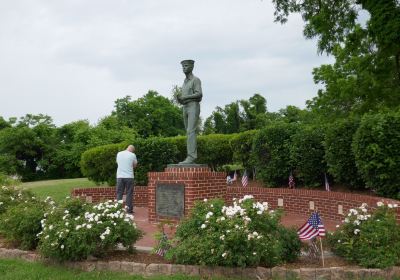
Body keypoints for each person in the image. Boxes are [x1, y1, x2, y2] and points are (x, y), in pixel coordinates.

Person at [177, 59, 203, 164]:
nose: (184, 68)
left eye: (186, 66)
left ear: (192, 67)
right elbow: (184, 98)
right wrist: (181, 99)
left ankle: (191, 157)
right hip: (185, 107)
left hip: (193, 106)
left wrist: (185, 97)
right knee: (188, 131)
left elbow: (199, 94)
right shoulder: (184, 82)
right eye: (183, 66)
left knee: (190, 131)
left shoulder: (196, 80)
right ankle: (190, 156)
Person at [116, 145, 137, 214]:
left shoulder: (119, 153)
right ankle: (129, 210)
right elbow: (134, 165)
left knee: (119, 193)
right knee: (129, 193)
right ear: (132, 150)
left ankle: (118, 210)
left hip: (119, 177)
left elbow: (117, 163)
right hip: (129, 177)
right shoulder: (133, 155)